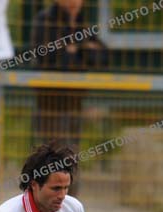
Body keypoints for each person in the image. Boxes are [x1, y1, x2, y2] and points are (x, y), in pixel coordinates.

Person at [31, 0, 107, 196]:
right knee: (54, 158)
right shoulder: (46, 20)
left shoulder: (82, 23)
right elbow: (49, 56)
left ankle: (69, 203)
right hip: (50, 103)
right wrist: (82, 49)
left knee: (72, 157)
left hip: (75, 101)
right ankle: (48, 203)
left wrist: (75, 49)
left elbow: (103, 57)